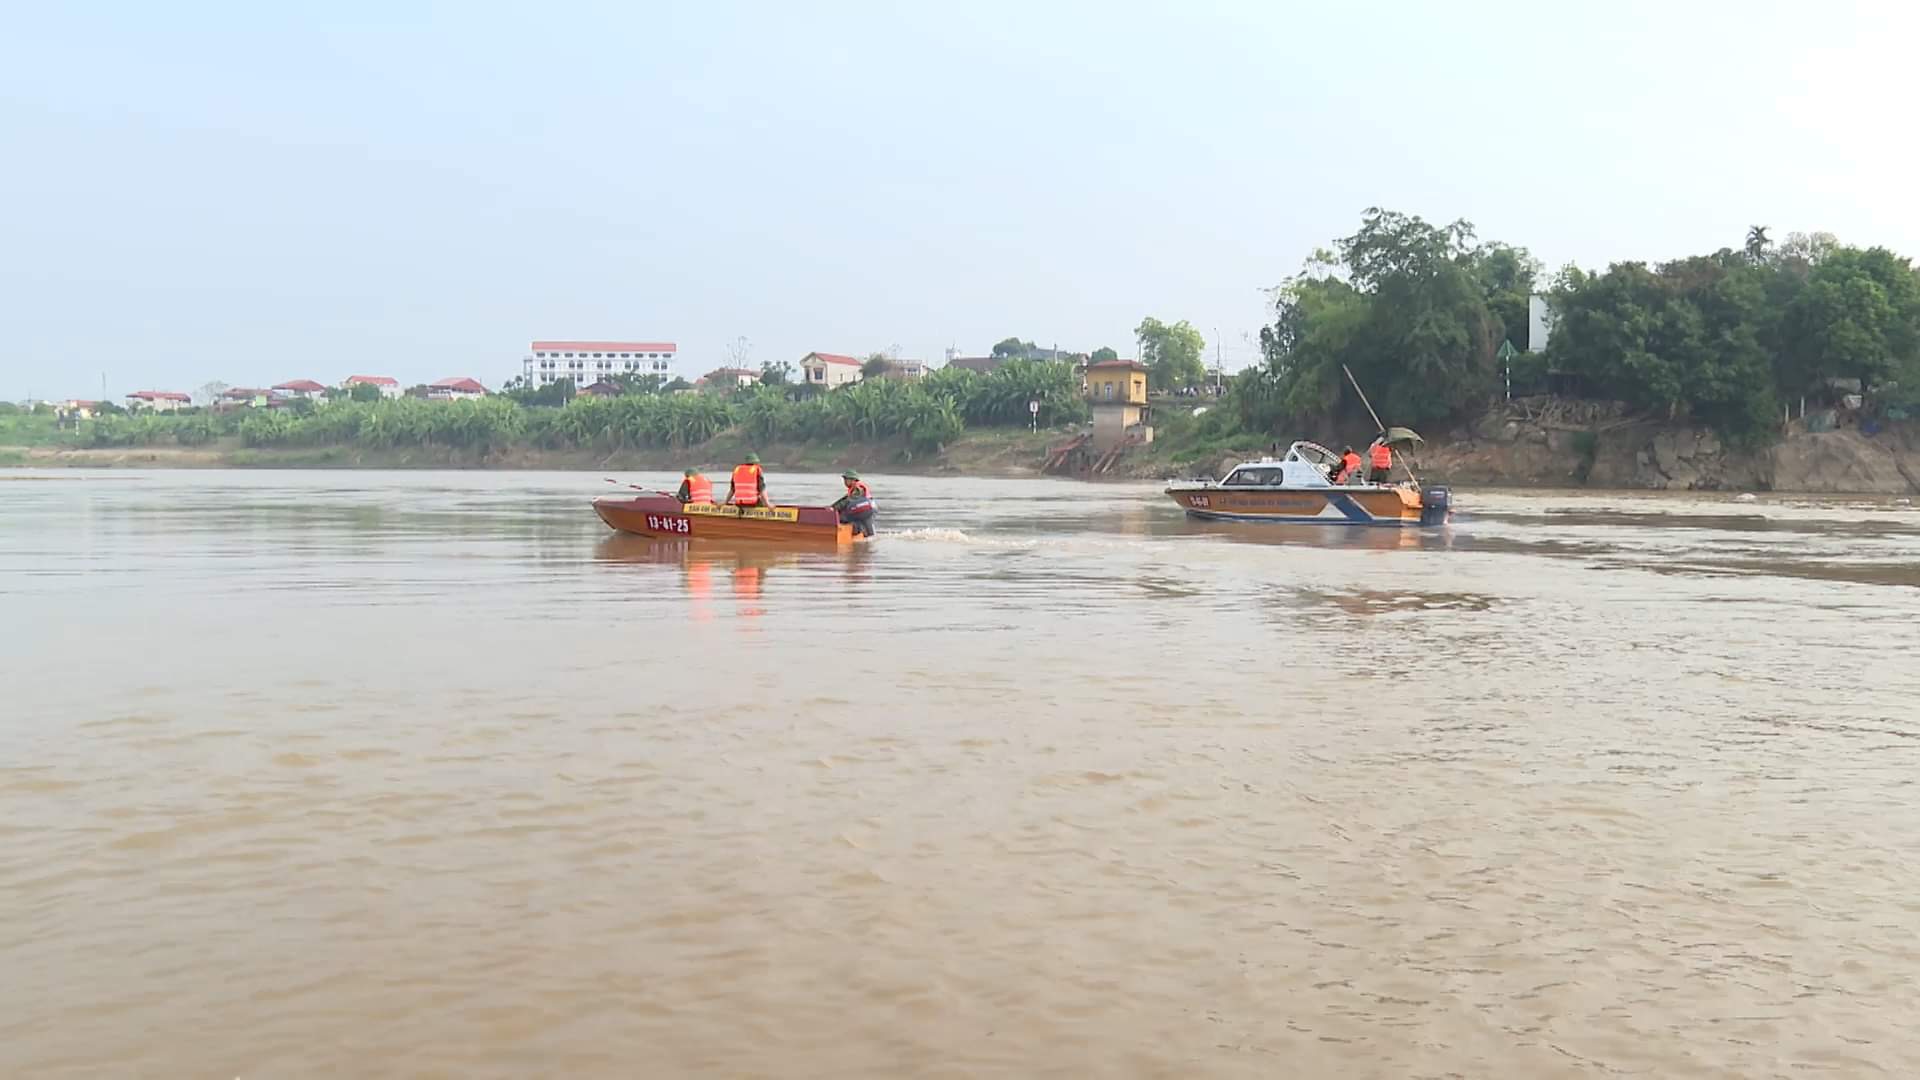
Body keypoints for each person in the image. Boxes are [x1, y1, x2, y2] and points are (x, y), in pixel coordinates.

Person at [833, 469, 876, 537]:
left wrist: (834, 509)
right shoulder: (854, 489)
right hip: (867, 509)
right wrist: (833, 507)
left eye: (846, 479)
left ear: (853, 480)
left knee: (842, 517)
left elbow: (848, 500)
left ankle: (851, 533)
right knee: (868, 531)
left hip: (863, 510)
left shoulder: (857, 488)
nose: (844, 482)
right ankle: (862, 534)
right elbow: (844, 500)